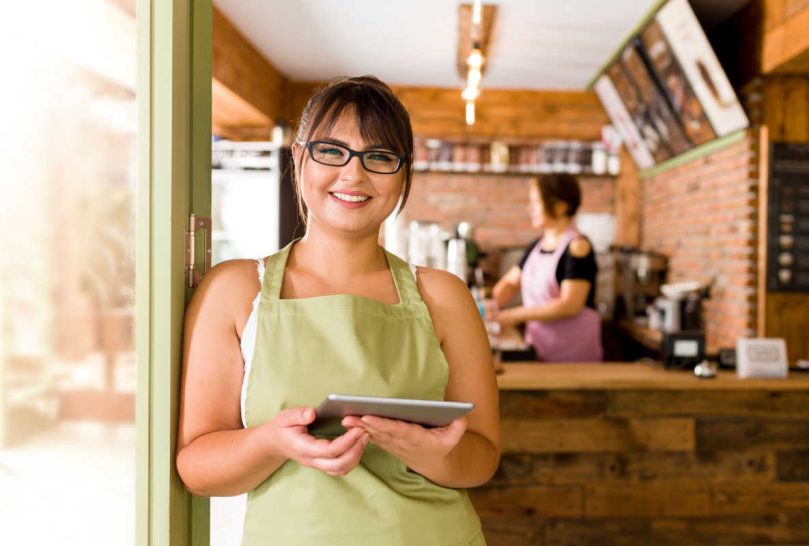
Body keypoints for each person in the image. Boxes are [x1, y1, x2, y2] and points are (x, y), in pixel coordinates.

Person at [176, 76, 499, 545]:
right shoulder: (233, 289)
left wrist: (429, 453)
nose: (353, 174)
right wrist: (271, 442)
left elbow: (483, 457)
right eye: (331, 150)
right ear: (298, 157)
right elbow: (196, 468)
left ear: (404, 173)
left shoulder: (444, 296)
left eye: (380, 157)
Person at [491, 174, 603, 362]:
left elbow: (570, 305)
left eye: (536, 202)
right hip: (539, 347)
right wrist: (491, 306)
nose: (529, 208)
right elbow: (510, 282)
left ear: (560, 207)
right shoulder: (536, 246)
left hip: (574, 357)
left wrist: (512, 315)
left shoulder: (578, 247)